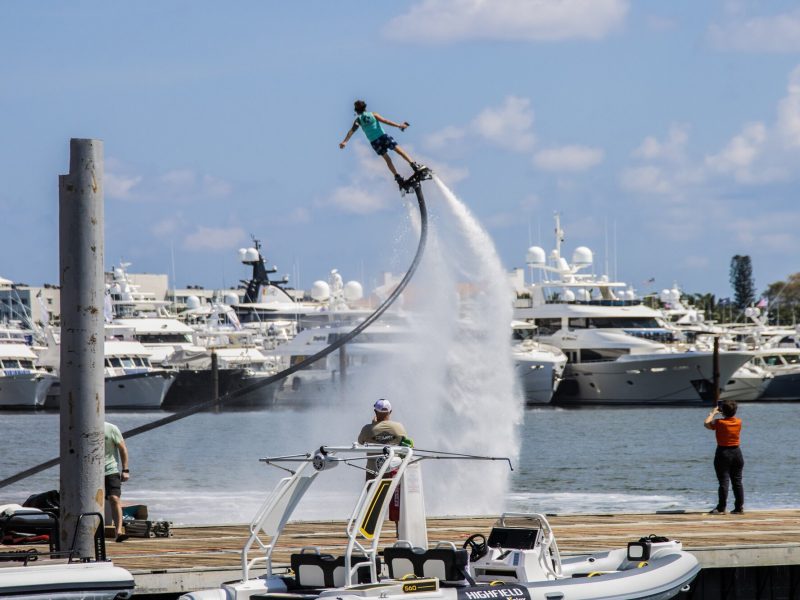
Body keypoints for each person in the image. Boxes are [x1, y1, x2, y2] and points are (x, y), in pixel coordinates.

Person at [339, 100, 425, 189]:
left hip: (374, 142)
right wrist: (399, 125)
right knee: (399, 151)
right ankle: (414, 165)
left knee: (387, 159)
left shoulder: (358, 120)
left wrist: (345, 141)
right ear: (365, 108)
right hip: (383, 137)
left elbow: (351, 131)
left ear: (356, 111)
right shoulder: (373, 114)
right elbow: (386, 121)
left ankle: (397, 177)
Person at [704, 400, 744, 515]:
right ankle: (739, 507)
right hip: (737, 452)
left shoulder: (719, 422)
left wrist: (712, 413)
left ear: (722, 411)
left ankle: (721, 508)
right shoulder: (739, 421)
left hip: (723, 452)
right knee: (737, 481)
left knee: (723, 481)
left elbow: (706, 424)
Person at [104, 421, 131, 542]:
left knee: (114, 498)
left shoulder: (111, 428)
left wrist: (125, 470)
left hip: (110, 470)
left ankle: (118, 532)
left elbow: (123, 448)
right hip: (91, 472)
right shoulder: (84, 428)